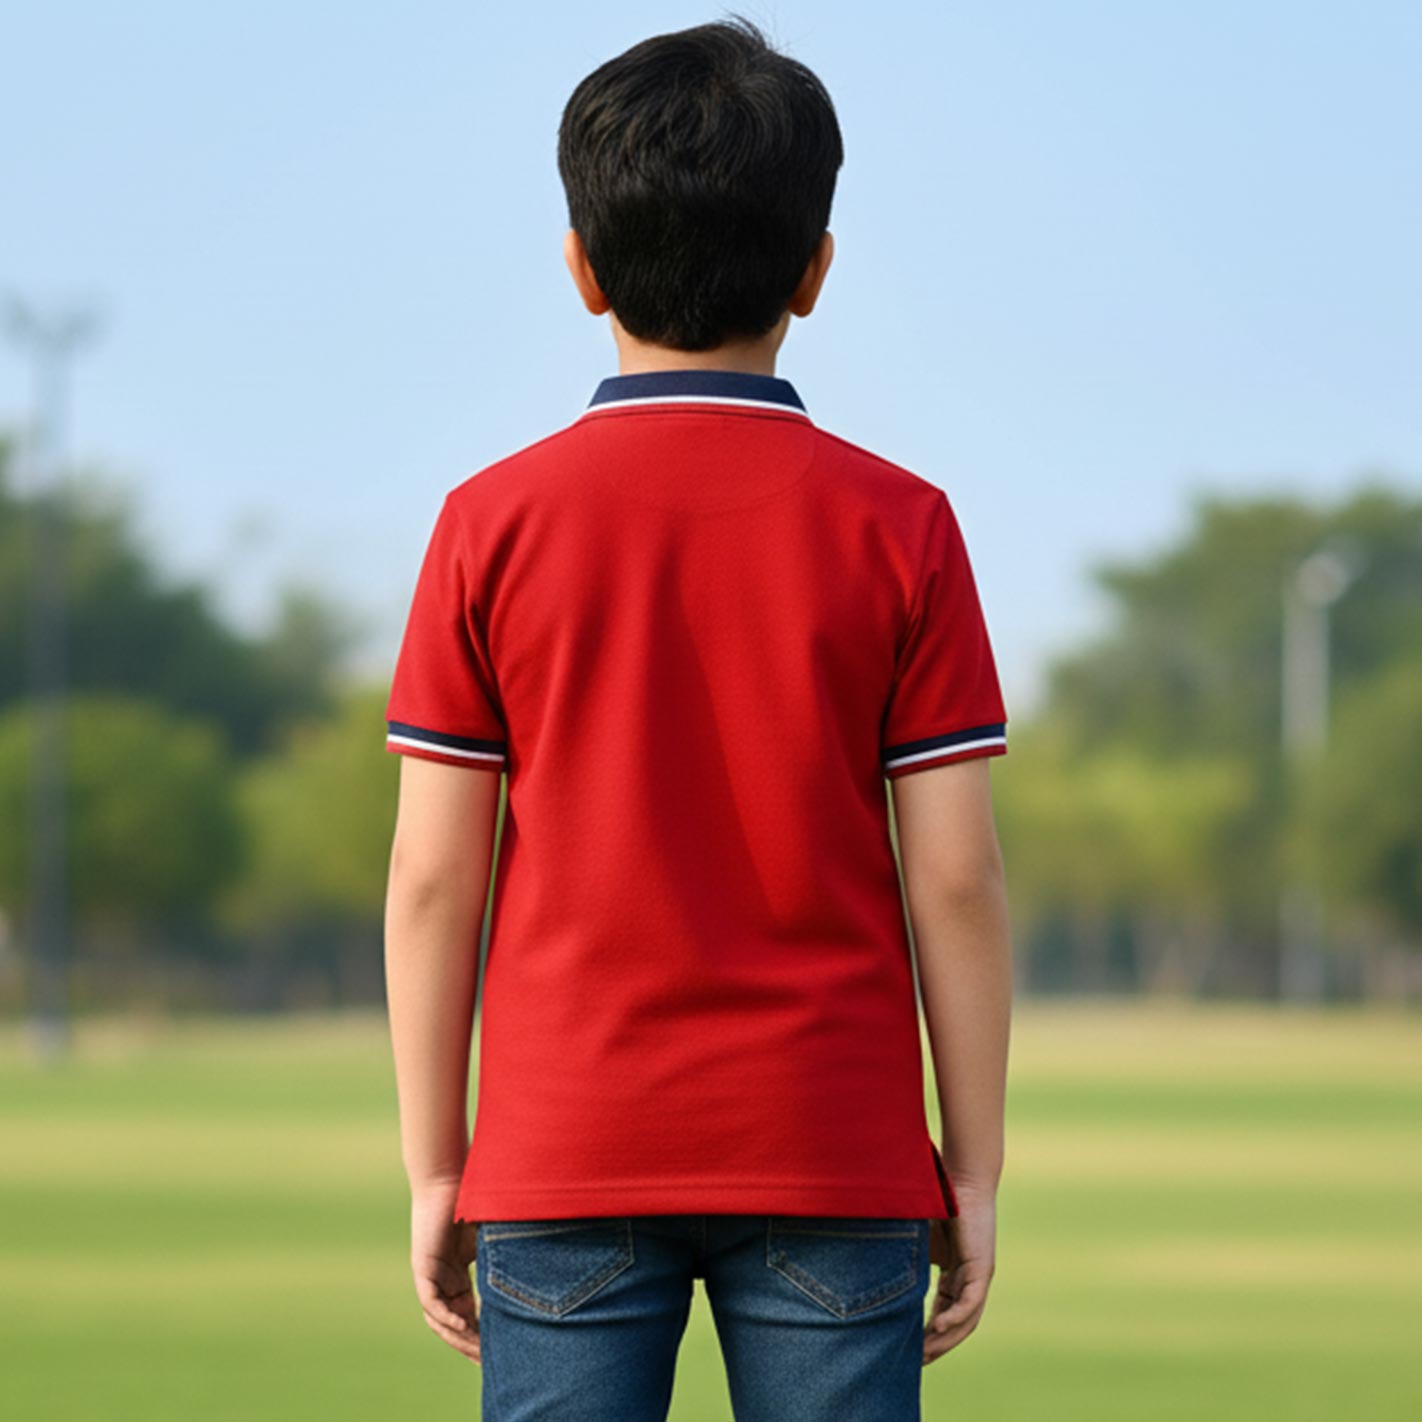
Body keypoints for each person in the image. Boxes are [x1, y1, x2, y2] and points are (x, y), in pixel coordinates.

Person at [382, 13, 1013, 1419]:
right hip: (833, 1153)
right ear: (816, 270)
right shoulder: (903, 525)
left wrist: (438, 1165)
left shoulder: (488, 523)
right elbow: (957, 878)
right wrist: (970, 1169)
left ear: (580, 267)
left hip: (563, 1153)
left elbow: (432, 877)